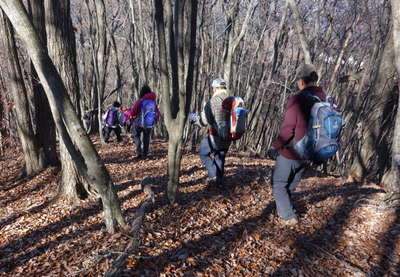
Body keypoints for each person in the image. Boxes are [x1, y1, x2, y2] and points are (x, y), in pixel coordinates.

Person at [268, 64, 327, 226]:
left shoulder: (298, 98)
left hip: (294, 151)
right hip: (312, 152)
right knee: (290, 184)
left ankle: (288, 217)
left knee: (278, 183)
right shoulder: (324, 98)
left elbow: (288, 128)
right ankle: (286, 208)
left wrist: (275, 146)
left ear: (302, 81)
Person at [190, 78, 231, 188]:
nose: (212, 90)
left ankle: (214, 176)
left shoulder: (213, 101)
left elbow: (203, 121)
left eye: (213, 88)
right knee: (220, 156)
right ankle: (219, 182)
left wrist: (194, 120)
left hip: (215, 136)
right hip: (230, 135)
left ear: (217, 88)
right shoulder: (232, 100)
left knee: (203, 153)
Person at [127, 85, 160, 158]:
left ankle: (138, 152)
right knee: (146, 138)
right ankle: (145, 153)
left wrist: (128, 113)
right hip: (149, 124)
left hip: (138, 123)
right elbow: (157, 113)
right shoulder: (153, 102)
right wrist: (155, 120)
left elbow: (133, 112)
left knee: (136, 136)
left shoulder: (140, 101)